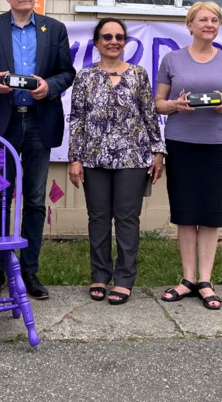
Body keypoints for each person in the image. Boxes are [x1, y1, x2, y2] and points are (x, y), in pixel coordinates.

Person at [0, 0, 76, 300]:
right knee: (0, 198)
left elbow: (67, 73)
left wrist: (49, 87)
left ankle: (29, 271)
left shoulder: (54, 29)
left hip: (39, 122)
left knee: (34, 200)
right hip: (5, 123)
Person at [154, 1, 222, 311]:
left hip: (217, 145)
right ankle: (187, 279)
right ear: (190, 25)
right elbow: (158, 103)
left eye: (215, 20)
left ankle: (206, 281)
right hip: (181, 142)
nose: (209, 24)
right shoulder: (172, 60)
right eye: (203, 19)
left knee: (210, 214)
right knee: (185, 212)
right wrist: (175, 105)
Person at [68, 18, 165, 305]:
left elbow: (150, 115)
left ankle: (124, 279)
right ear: (97, 42)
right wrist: (75, 158)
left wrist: (158, 152)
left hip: (133, 159)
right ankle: (99, 274)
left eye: (119, 37)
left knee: (126, 219)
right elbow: (77, 120)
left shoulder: (138, 74)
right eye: (107, 36)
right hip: (94, 158)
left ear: (125, 42)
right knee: (98, 219)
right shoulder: (84, 77)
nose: (113, 41)